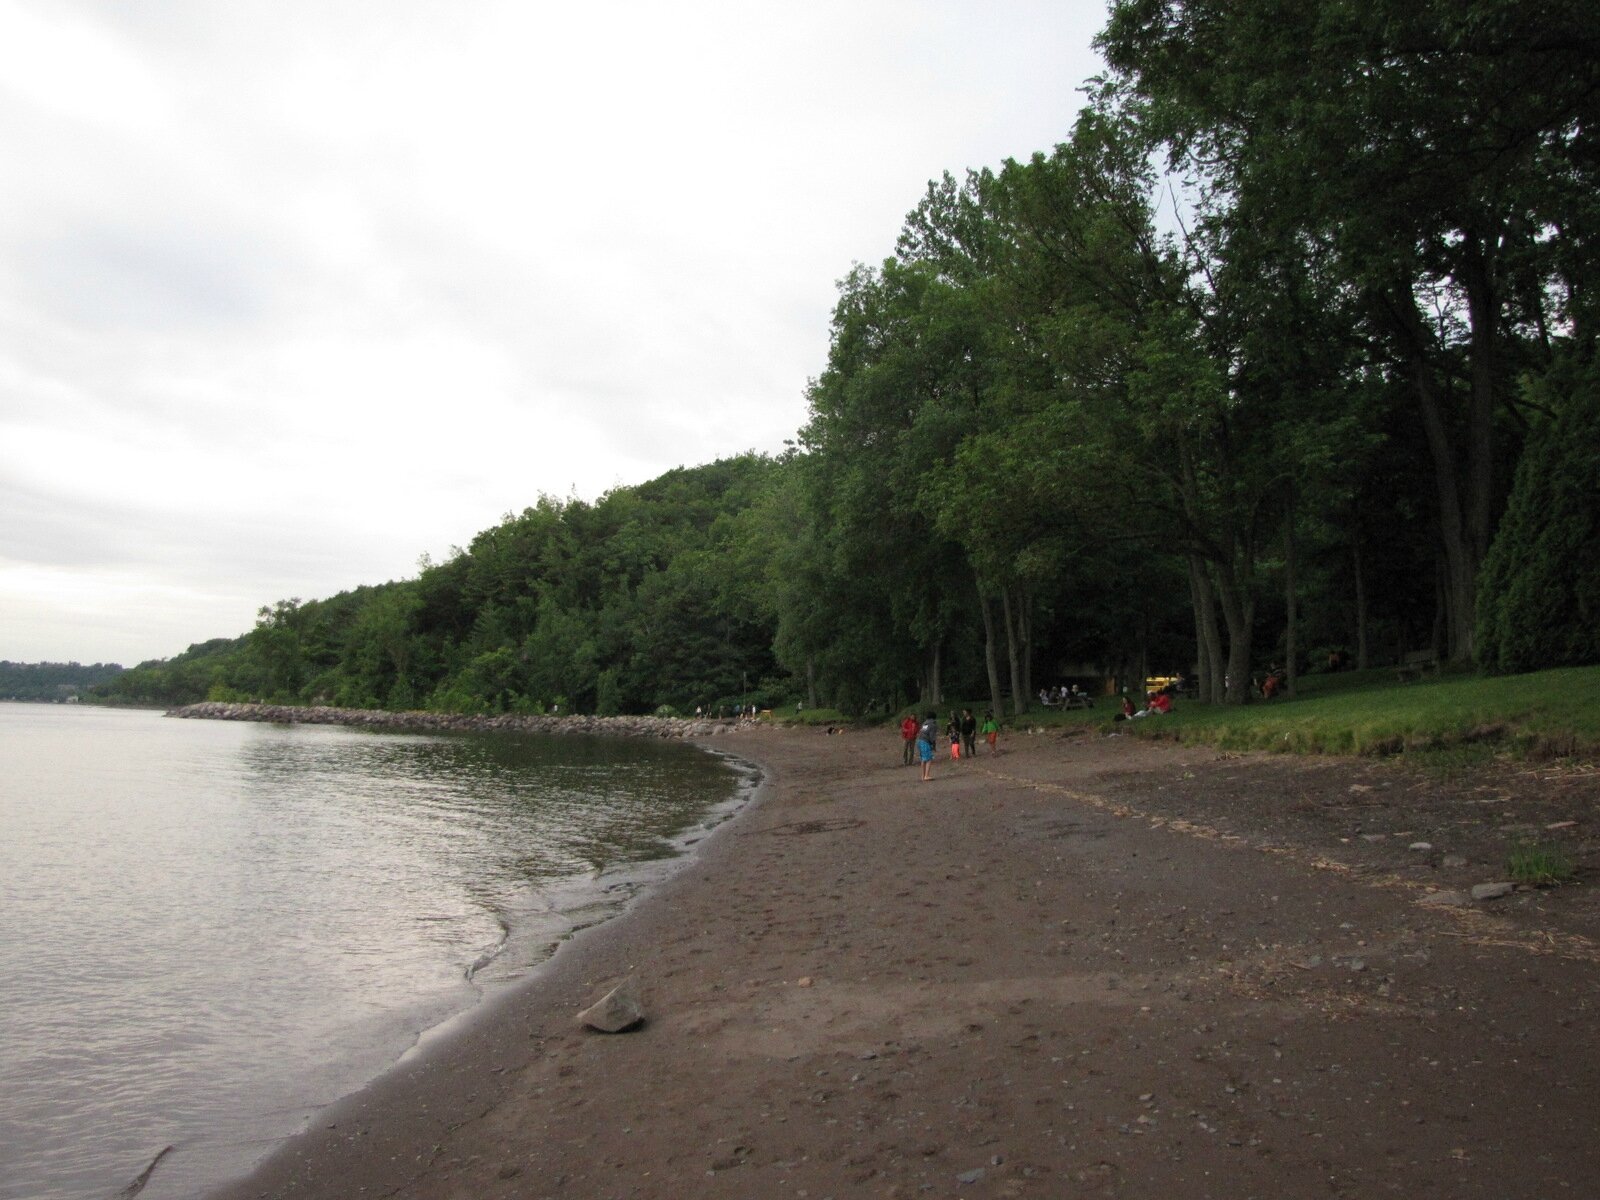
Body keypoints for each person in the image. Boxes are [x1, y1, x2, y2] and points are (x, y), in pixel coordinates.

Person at [916, 712, 938, 781]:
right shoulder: (932, 725)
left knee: (923, 759)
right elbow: (932, 736)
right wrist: (933, 744)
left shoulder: (925, 723)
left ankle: (923, 775)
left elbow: (922, 732)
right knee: (929, 759)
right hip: (925, 742)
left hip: (919, 741)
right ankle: (927, 775)